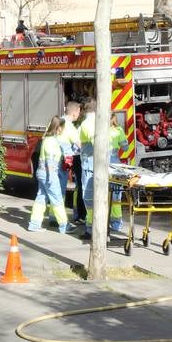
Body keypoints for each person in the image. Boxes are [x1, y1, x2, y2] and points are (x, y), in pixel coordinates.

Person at [28, 116, 74, 234]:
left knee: (41, 197)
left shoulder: (47, 138)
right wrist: (50, 176)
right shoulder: (51, 141)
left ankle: (34, 224)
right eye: (62, 128)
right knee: (57, 198)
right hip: (49, 173)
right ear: (58, 128)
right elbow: (49, 160)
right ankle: (64, 225)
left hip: (42, 172)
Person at [79, 97, 97, 239]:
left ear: (84, 110)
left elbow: (94, 142)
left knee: (89, 197)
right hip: (102, 164)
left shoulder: (86, 124)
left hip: (89, 165)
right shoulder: (101, 121)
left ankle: (90, 229)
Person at [108, 113, 128, 232]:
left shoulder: (98, 129)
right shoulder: (118, 130)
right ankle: (116, 223)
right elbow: (125, 148)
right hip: (114, 163)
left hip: (101, 163)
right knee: (116, 193)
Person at [58, 101, 81, 203]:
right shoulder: (70, 127)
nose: (79, 115)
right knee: (61, 186)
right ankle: (59, 217)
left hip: (51, 159)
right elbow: (79, 145)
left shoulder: (56, 122)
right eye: (79, 112)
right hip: (64, 160)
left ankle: (53, 216)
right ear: (74, 113)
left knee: (53, 188)